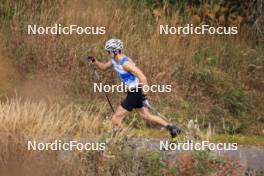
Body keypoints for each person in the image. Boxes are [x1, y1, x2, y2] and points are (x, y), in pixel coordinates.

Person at [87, 38, 181, 142]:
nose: (107, 53)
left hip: (135, 92)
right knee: (146, 116)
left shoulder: (125, 63)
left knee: (115, 119)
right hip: (134, 92)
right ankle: (172, 128)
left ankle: (126, 142)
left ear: (115, 51)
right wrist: (94, 61)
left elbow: (143, 77)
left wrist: (144, 95)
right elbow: (104, 67)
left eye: (108, 51)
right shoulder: (114, 60)